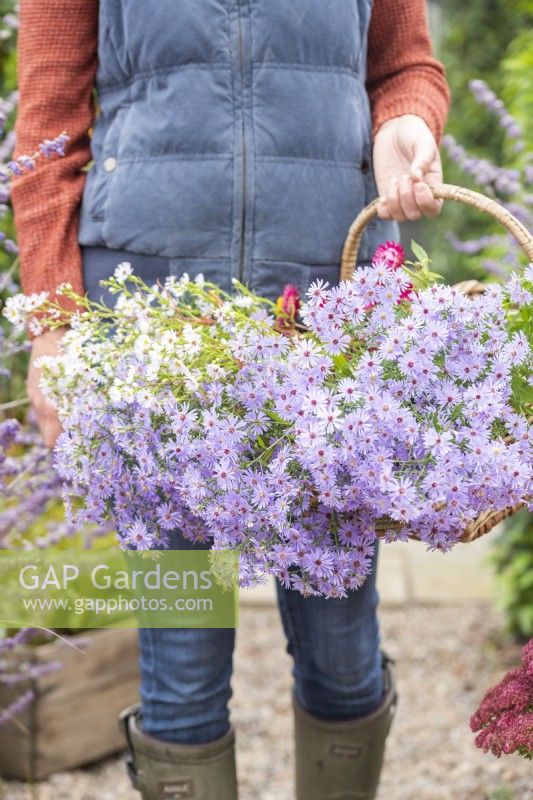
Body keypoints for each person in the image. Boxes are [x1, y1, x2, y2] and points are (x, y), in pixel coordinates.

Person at [12, 2, 451, 798]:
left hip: (322, 312)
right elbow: (46, 130)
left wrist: (405, 123)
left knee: (340, 652)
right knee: (181, 661)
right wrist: (54, 328)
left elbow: (404, 68)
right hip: (152, 325)